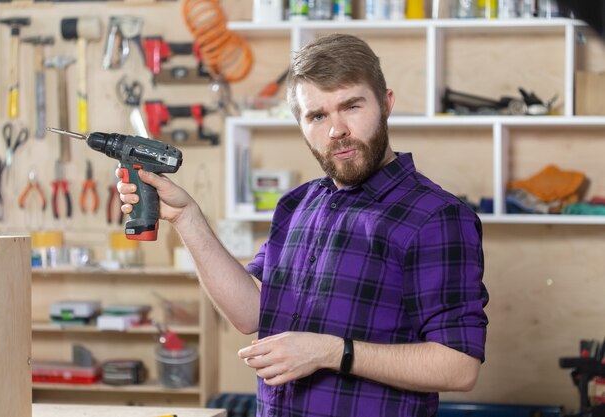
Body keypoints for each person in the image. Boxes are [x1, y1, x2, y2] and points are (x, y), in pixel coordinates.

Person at [118, 33, 489, 417]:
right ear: (300, 122)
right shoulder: (297, 205)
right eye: (317, 115)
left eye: (351, 106)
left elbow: (459, 366)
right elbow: (250, 314)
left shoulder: (436, 216)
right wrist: (186, 216)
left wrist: (330, 352)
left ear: (386, 104)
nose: (336, 130)